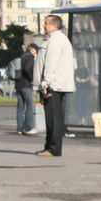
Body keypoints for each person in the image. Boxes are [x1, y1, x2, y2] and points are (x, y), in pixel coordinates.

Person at [32, 14, 74, 158]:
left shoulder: (55, 40)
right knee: (51, 118)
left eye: (46, 23)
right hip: (54, 85)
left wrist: (46, 84)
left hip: (53, 86)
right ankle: (49, 147)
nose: (44, 26)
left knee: (53, 119)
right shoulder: (55, 39)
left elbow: (51, 64)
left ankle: (53, 148)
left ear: (54, 25)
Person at [7, 43, 38, 135]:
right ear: (33, 50)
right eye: (36, 52)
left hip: (18, 84)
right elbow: (28, 69)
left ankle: (19, 128)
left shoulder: (21, 57)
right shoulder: (30, 57)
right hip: (26, 85)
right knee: (30, 105)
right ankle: (28, 127)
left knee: (20, 107)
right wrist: (32, 79)